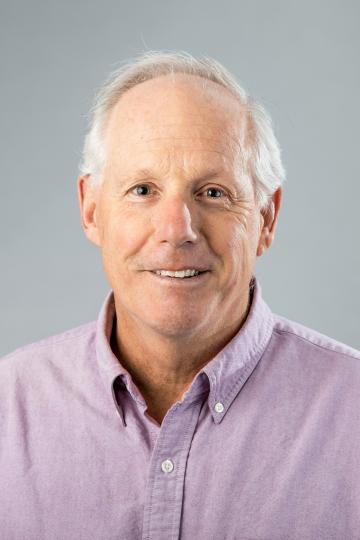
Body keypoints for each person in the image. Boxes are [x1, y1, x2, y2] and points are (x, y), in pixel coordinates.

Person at [1, 51, 359, 540]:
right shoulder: (8, 405)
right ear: (90, 209)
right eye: (143, 190)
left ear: (266, 219)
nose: (176, 231)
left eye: (212, 193)